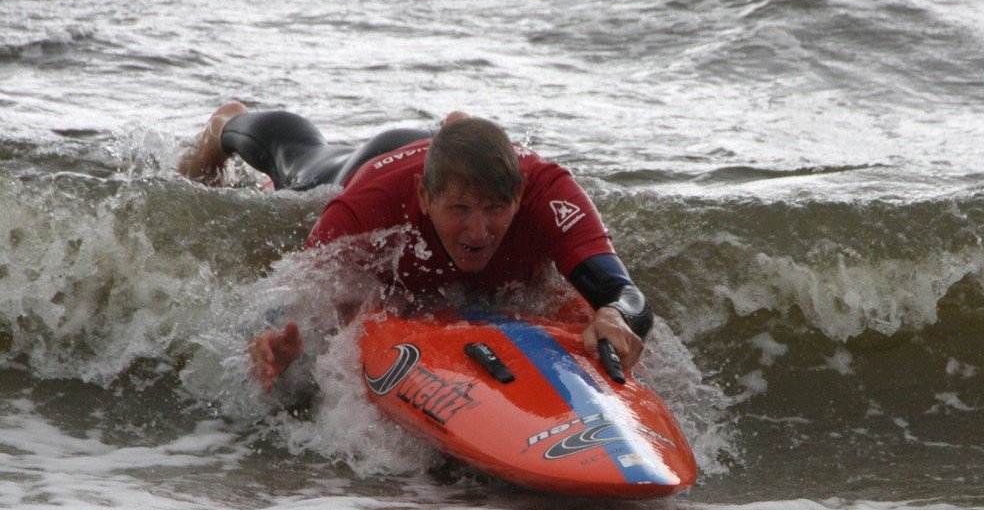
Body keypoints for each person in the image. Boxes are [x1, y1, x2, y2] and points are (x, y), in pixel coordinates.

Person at [179, 103, 653, 392]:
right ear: (426, 200)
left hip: (453, 159)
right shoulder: (366, 209)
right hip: (364, 168)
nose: (479, 231)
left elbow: (624, 293)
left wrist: (615, 314)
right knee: (296, 156)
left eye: (495, 209)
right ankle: (228, 121)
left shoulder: (549, 192)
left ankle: (458, 128)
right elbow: (292, 290)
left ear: (519, 196)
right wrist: (269, 338)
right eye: (461, 209)